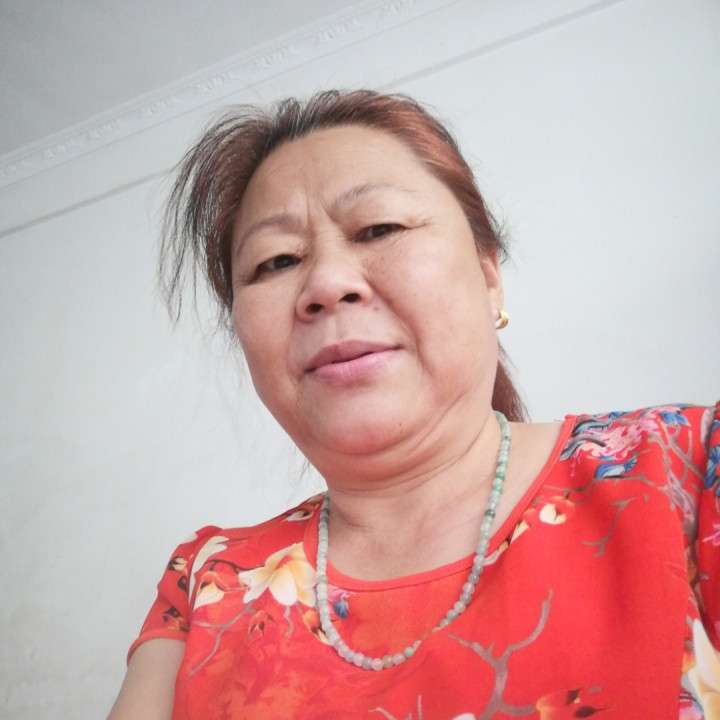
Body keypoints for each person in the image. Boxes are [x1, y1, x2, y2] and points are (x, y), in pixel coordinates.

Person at [108, 90, 720, 720]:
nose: (325, 285)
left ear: (488, 277)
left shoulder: (693, 471)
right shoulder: (207, 583)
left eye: (379, 229)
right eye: (276, 261)